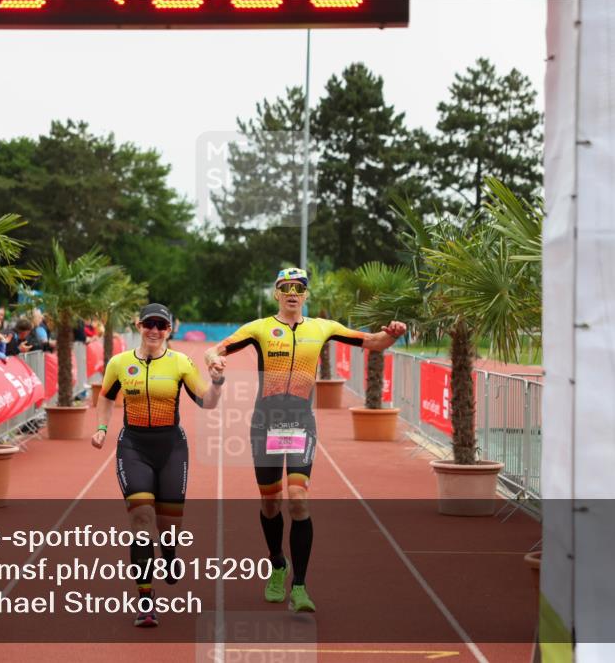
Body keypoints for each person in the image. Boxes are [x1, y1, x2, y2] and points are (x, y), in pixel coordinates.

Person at [204, 267, 406, 613]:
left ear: (306, 295)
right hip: (265, 422)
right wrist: (215, 362)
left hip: (299, 421)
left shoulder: (322, 328)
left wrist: (392, 333)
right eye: (286, 287)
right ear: (277, 294)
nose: (293, 292)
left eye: (299, 287)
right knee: (271, 503)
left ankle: (300, 585)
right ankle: (277, 563)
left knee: (297, 499)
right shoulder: (260, 328)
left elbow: (372, 342)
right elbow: (215, 349)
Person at [92, 303, 224, 628]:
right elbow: (107, 397)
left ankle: (169, 555)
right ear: (138, 325)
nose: (154, 330)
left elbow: (206, 402)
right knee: (141, 518)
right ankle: (146, 600)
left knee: (168, 525)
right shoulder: (120, 363)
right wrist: (102, 428)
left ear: (170, 330)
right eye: (149, 324)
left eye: (161, 326)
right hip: (133, 445)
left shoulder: (181, 363)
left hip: (171, 447)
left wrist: (218, 384)